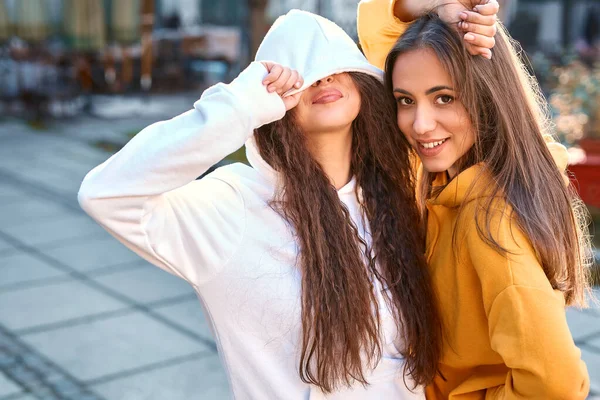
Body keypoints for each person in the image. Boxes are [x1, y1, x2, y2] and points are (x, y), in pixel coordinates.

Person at [79, 10, 444, 399]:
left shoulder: (395, 193)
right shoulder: (235, 206)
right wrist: (239, 105)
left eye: (336, 65)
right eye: (301, 72)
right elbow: (106, 194)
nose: (322, 77)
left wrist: (445, 16)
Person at [381, 13, 592, 398]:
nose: (420, 124)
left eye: (444, 98)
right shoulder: (458, 171)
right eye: (405, 101)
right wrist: (435, 8)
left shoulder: (491, 223)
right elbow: (385, 42)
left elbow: (556, 385)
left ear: (487, 95)